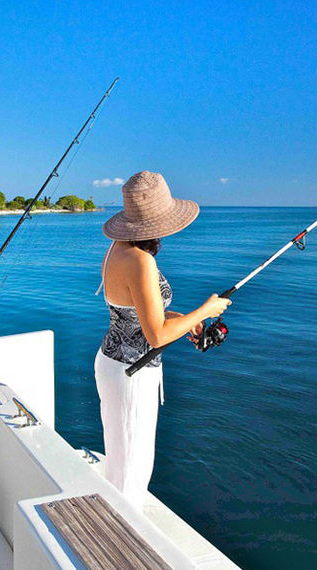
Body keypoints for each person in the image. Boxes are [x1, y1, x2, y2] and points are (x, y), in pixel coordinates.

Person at [95, 171, 231, 511]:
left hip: (115, 363)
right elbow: (155, 335)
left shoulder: (118, 249)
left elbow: (137, 314)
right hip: (131, 374)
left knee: (122, 462)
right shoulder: (141, 261)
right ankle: (118, 548)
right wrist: (206, 310)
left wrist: (186, 324)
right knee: (133, 470)